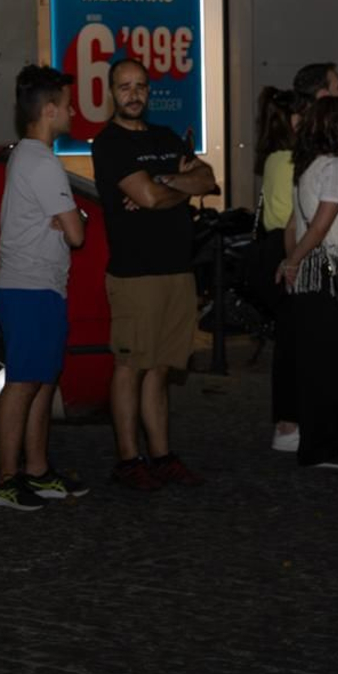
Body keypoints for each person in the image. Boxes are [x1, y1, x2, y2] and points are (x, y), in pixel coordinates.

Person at [91, 59, 217, 490]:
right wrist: (173, 186)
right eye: (125, 87)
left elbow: (208, 179)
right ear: (111, 92)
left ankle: (162, 457)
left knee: (161, 368)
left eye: (141, 86)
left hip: (177, 270)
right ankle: (129, 460)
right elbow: (147, 197)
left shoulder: (164, 136)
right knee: (130, 366)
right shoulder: (108, 144)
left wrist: (163, 183)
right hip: (135, 274)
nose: (134, 95)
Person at [0, 66, 88, 511]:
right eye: (67, 105)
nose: (73, 112)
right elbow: (77, 233)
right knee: (24, 383)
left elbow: (66, 226)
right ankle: (5, 480)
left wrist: (68, 221)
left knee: (42, 382)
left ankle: (37, 470)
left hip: (39, 286)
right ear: (49, 110)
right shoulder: (42, 162)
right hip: (30, 288)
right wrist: (73, 220)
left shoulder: (26, 156)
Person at [280, 96, 338, 469]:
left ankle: (326, 442)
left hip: (311, 277)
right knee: (332, 365)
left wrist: (292, 260)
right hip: (332, 276)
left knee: (317, 363)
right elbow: (322, 223)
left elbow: (294, 223)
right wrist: (293, 260)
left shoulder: (307, 165)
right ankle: (321, 448)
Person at [254, 87, 304, 452]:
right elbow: (293, 219)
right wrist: (295, 262)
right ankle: (288, 425)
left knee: (289, 342)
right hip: (286, 251)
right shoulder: (289, 160)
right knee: (293, 344)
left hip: (277, 248)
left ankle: (289, 423)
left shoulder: (274, 157)